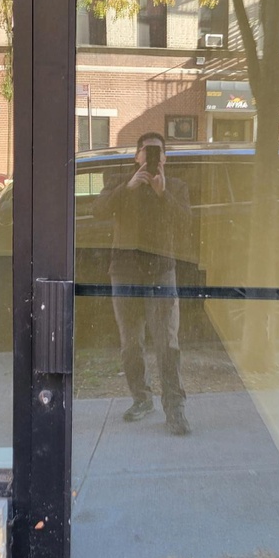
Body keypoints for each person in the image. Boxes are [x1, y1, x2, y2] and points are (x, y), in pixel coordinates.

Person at [93, 132, 192, 436]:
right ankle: (141, 399)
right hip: (124, 274)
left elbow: (186, 224)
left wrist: (163, 194)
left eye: (157, 152)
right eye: (146, 152)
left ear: (165, 158)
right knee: (131, 344)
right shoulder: (120, 183)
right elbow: (98, 211)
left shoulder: (176, 187)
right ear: (137, 156)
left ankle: (174, 409)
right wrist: (128, 187)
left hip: (161, 273)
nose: (151, 157)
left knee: (167, 344)